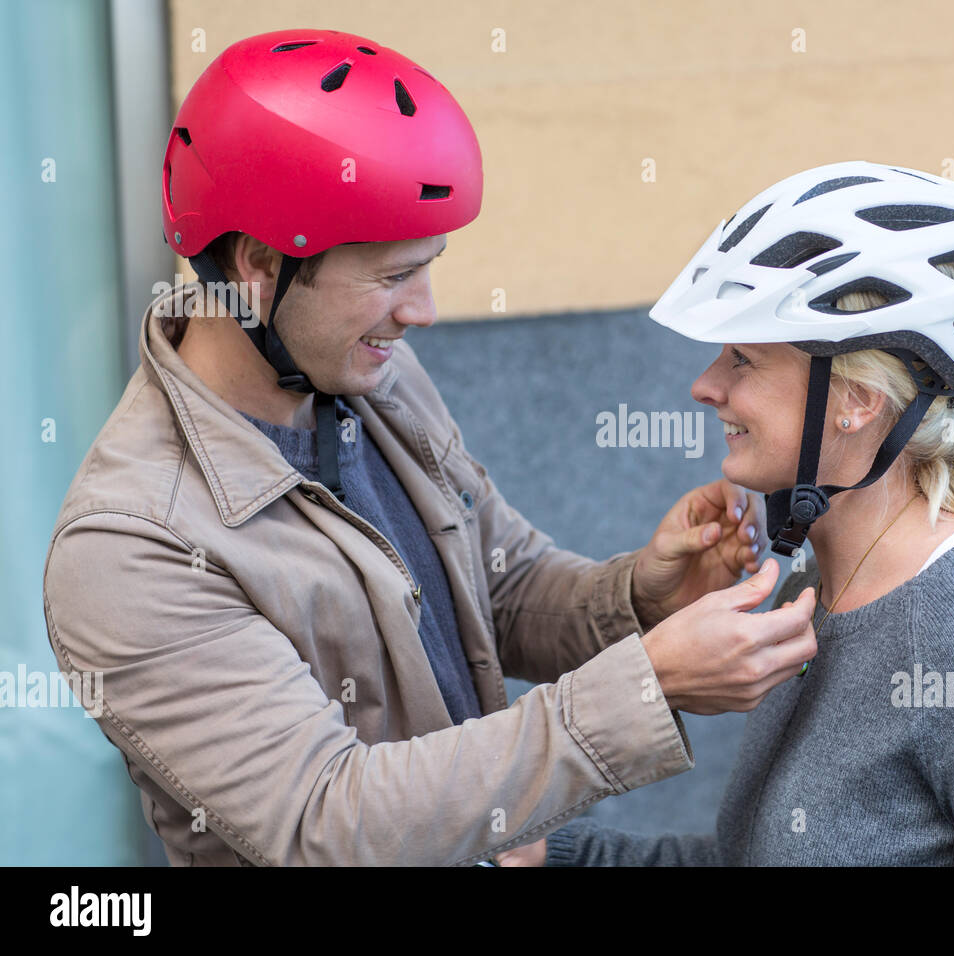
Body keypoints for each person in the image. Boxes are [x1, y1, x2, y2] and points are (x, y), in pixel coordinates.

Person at [40, 28, 819, 866]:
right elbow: (323, 823)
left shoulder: (372, 377)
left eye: (430, 265)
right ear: (260, 266)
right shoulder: (132, 545)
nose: (424, 310)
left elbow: (502, 589)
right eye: (389, 277)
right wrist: (648, 686)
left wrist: (639, 597)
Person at [517, 161, 954, 866]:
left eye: (743, 359)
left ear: (856, 402)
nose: (704, 386)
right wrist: (556, 856)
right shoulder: (814, 591)